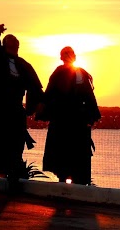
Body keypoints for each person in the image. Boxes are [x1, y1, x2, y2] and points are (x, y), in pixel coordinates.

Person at [0, 24, 44, 194]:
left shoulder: (23, 65)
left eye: (15, 44)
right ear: (5, 46)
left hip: (15, 111)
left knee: (14, 146)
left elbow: (35, 87)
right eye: (11, 44)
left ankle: (13, 180)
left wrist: (34, 107)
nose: (14, 47)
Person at [41, 46, 101, 185]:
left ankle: (76, 184)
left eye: (71, 53)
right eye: (67, 54)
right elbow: (49, 94)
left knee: (78, 157)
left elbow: (89, 95)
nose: (70, 56)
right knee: (62, 155)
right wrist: (43, 111)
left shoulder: (81, 73)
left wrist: (93, 115)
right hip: (62, 120)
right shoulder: (58, 73)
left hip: (78, 122)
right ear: (62, 57)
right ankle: (64, 183)